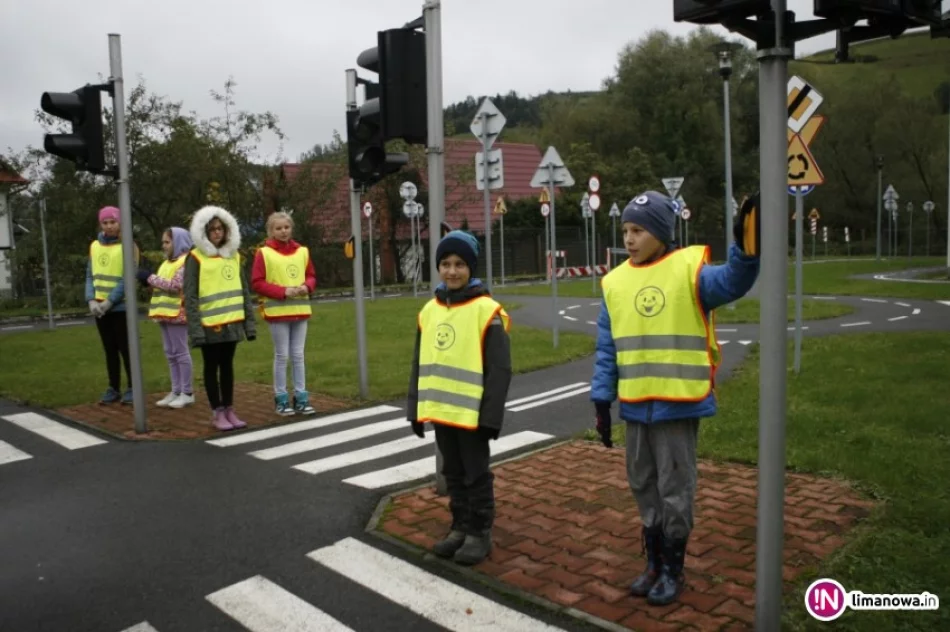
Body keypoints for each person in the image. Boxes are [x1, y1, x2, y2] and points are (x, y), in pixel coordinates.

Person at [590, 191, 760, 606]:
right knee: (642, 483)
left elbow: (733, 282)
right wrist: (601, 398)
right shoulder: (614, 283)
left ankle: (673, 569)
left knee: (674, 488)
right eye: (626, 230)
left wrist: (746, 248)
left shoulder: (690, 272)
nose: (629, 239)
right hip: (635, 406)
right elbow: (607, 348)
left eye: (639, 230)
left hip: (677, 404)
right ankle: (652, 561)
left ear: (663, 234)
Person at [406, 230, 512, 566]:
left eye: (460, 264)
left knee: (475, 474)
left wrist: (490, 419)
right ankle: (460, 525)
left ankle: (480, 531)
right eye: (446, 264)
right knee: (452, 472)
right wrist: (415, 410)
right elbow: (419, 363)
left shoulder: (487, 310)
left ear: (472, 267)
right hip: (441, 412)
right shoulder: (429, 311)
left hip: (473, 416)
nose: (452, 271)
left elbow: (499, 370)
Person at [184, 205, 257, 432]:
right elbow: (191, 296)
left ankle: (229, 409)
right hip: (209, 325)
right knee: (211, 366)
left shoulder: (233, 256)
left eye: (220, 229)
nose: (217, 233)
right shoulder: (195, 258)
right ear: (204, 232)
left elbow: (244, 291)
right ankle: (216, 411)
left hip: (232, 323)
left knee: (227, 367)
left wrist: (249, 324)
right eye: (212, 229)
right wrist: (196, 330)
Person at [251, 211, 317, 416]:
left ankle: (301, 396)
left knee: (298, 355)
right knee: (282, 355)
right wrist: (283, 292)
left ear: (292, 228)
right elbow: (257, 282)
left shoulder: (303, 251)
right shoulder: (264, 253)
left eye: (286, 227)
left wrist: (307, 286)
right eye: (278, 228)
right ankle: (281, 398)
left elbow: (311, 275)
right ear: (271, 231)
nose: (283, 231)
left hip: (300, 309)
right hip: (278, 312)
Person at [85, 205, 139, 405]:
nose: (109, 226)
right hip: (99, 309)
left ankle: (133, 387)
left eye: (113, 222)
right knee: (109, 349)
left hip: (120, 307)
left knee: (126, 348)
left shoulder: (129, 245)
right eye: (105, 223)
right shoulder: (94, 246)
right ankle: (113, 387)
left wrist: (110, 301)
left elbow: (128, 277)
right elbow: (90, 275)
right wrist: (91, 299)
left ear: (120, 223)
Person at [138, 227, 195, 408]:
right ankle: (176, 390)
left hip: (178, 314)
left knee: (181, 352)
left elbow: (175, 285)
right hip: (164, 313)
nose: (163, 245)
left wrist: (149, 277)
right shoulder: (166, 263)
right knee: (170, 353)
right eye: (163, 242)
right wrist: (149, 281)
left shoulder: (186, 261)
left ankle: (187, 392)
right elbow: (161, 285)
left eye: (167, 242)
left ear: (179, 242)